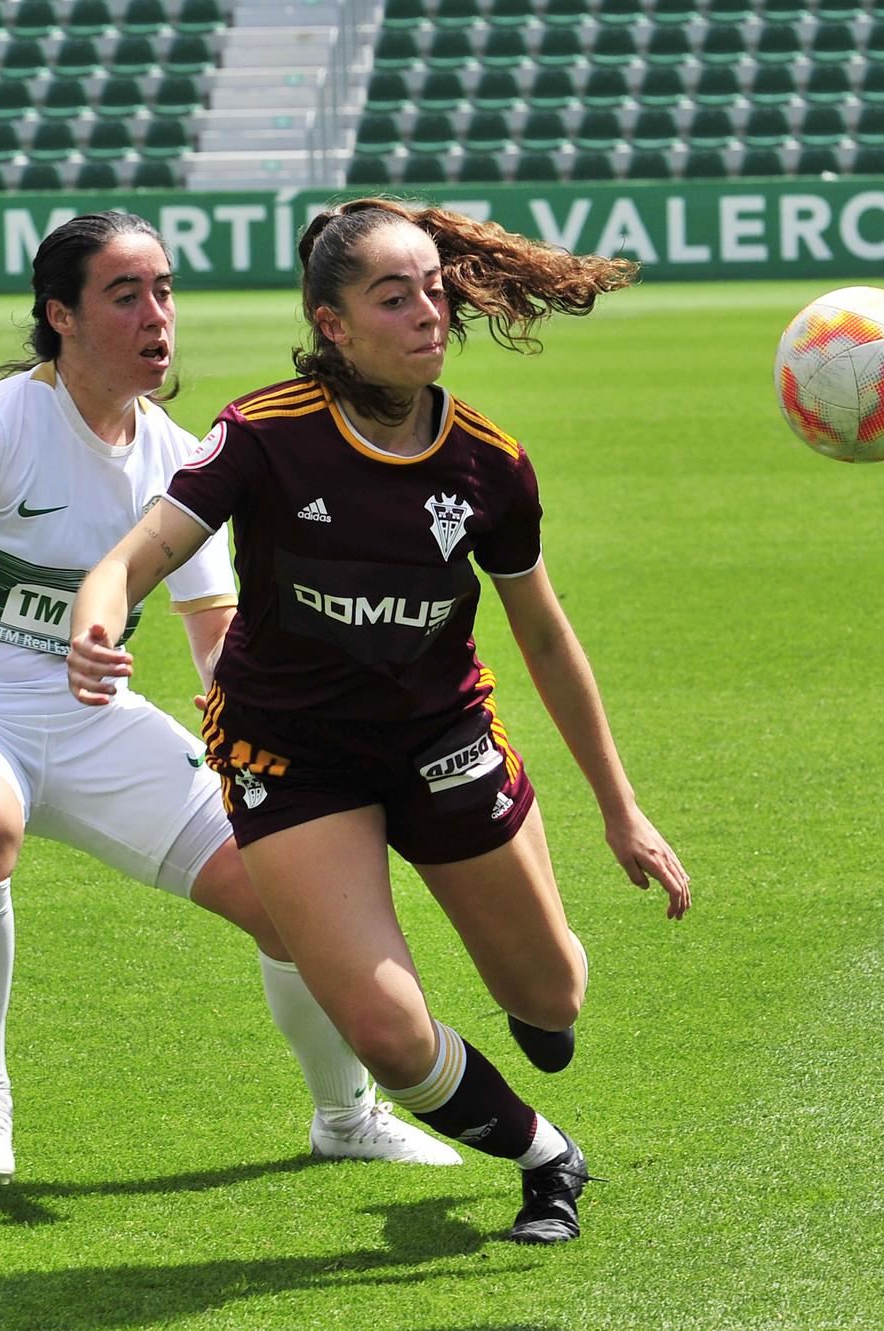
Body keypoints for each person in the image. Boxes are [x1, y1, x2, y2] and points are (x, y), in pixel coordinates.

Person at [69, 198, 693, 1244]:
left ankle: (540, 953)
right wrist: (95, 625)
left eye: (434, 291)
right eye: (391, 296)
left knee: (550, 997)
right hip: (291, 758)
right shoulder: (262, 435)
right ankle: (546, 1158)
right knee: (386, 1031)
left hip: (441, 740)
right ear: (332, 323)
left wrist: (620, 811)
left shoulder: (489, 463)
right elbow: (134, 556)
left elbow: (544, 639)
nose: (426, 313)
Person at [0, 211, 459, 1185]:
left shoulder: (180, 455)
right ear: (59, 316)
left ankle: (345, 1112)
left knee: (288, 898)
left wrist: (251, 735)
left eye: (164, 290)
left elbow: (212, 627)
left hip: (96, 724)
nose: (157, 314)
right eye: (125, 294)